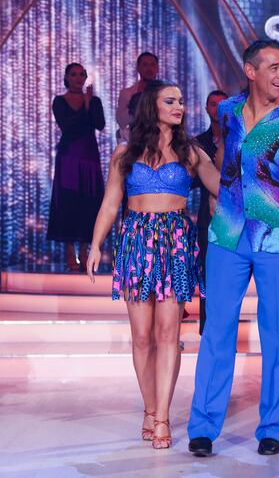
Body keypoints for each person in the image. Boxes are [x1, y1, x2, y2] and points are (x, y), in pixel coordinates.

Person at [188, 39, 279, 457]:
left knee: (277, 334)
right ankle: (204, 426)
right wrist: (217, 199)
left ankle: (271, 427)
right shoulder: (227, 111)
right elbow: (226, 163)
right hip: (227, 234)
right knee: (217, 330)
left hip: (277, 237)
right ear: (251, 71)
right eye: (275, 67)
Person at [86, 80, 219, 450]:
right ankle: (148, 407)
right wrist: (96, 244)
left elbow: (219, 187)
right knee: (142, 337)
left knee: (167, 336)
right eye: (170, 100)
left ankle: (162, 415)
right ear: (152, 105)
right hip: (136, 241)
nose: (179, 106)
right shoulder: (125, 152)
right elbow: (111, 202)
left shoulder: (190, 151)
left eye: (180, 101)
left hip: (175, 242)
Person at [47, 63, 105, 271]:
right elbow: (68, 126)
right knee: (68, 201)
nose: (78, 78)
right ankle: (70, 250)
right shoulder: (59, 101)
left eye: (82, 75)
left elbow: (100, 124)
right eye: (74, 74)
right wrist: (86, 108)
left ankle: (85, 249)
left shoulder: (94, 101)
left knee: (88, 201)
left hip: (89, 156)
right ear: (67, 77)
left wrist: (89, 104)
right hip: (69, 157)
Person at [193, 90, 227, 334]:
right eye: (212, 104)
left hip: (237, 214)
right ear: (206, 109)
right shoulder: (197, 143)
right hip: (208, 216)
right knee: (208, 272)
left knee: (230, 276)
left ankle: (227, 327)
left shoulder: (241, 138)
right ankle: (207, 329)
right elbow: (191, 180)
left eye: (221, 104)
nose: (217, 108)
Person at [117, 52, 158, 141]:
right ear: (138, 68)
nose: (149, 68)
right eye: (145, 65)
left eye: (152, 64)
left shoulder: (166, 92)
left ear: (157, 68)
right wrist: (136, 102)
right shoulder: (127, 93)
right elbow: (121, 122)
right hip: (135, 142)